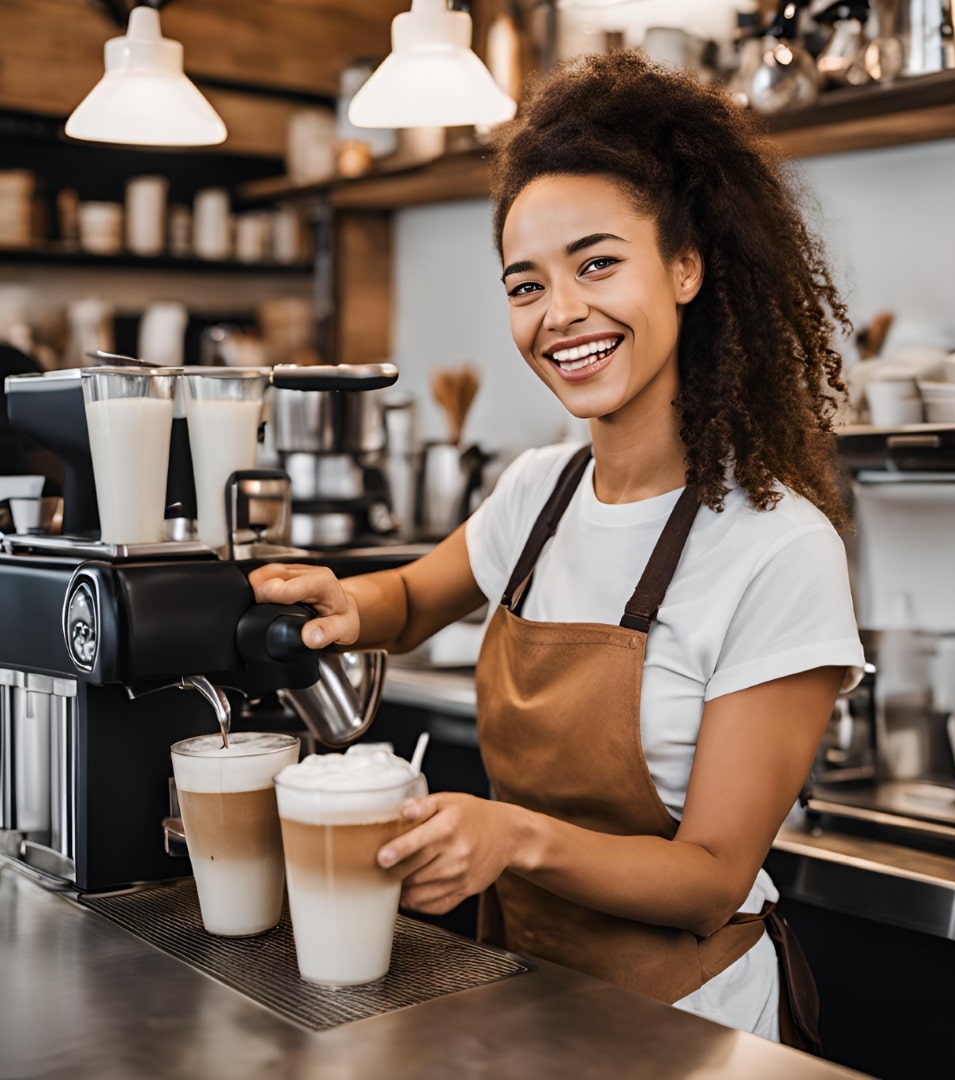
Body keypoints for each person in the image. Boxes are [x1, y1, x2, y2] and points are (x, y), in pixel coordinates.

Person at [250, 51, 864, 1047]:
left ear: (686, 267)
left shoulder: (778, 547)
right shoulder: (540, 491)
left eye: (597, 263)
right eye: (526, 284)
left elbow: (710, 879)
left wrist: (513, 837)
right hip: (523, 999)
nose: (561, 312)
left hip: (693, 1030)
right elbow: (412, 599)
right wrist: (346, 604)